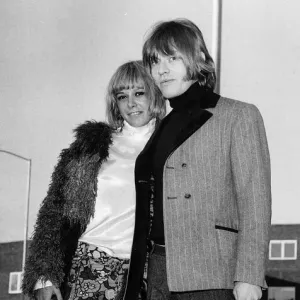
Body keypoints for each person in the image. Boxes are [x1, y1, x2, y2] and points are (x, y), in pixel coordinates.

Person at [124, 19, 272, 300]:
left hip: (213, 274)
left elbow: (256, 202)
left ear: (198, 58)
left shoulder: (238, 115)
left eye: (172, 58)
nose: (162, 70)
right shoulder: (161, 127)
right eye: (155, 61)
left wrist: (250, 276)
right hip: (159, 275)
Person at [21, 60, 166, 300]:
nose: (131, 103)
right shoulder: (92, 146)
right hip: (90, 267)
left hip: (149, 273)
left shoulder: (173, 146)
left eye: (139, 93)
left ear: (155, 95)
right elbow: (55, 211)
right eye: (122, 96)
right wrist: (43, 276)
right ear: (115, 103)